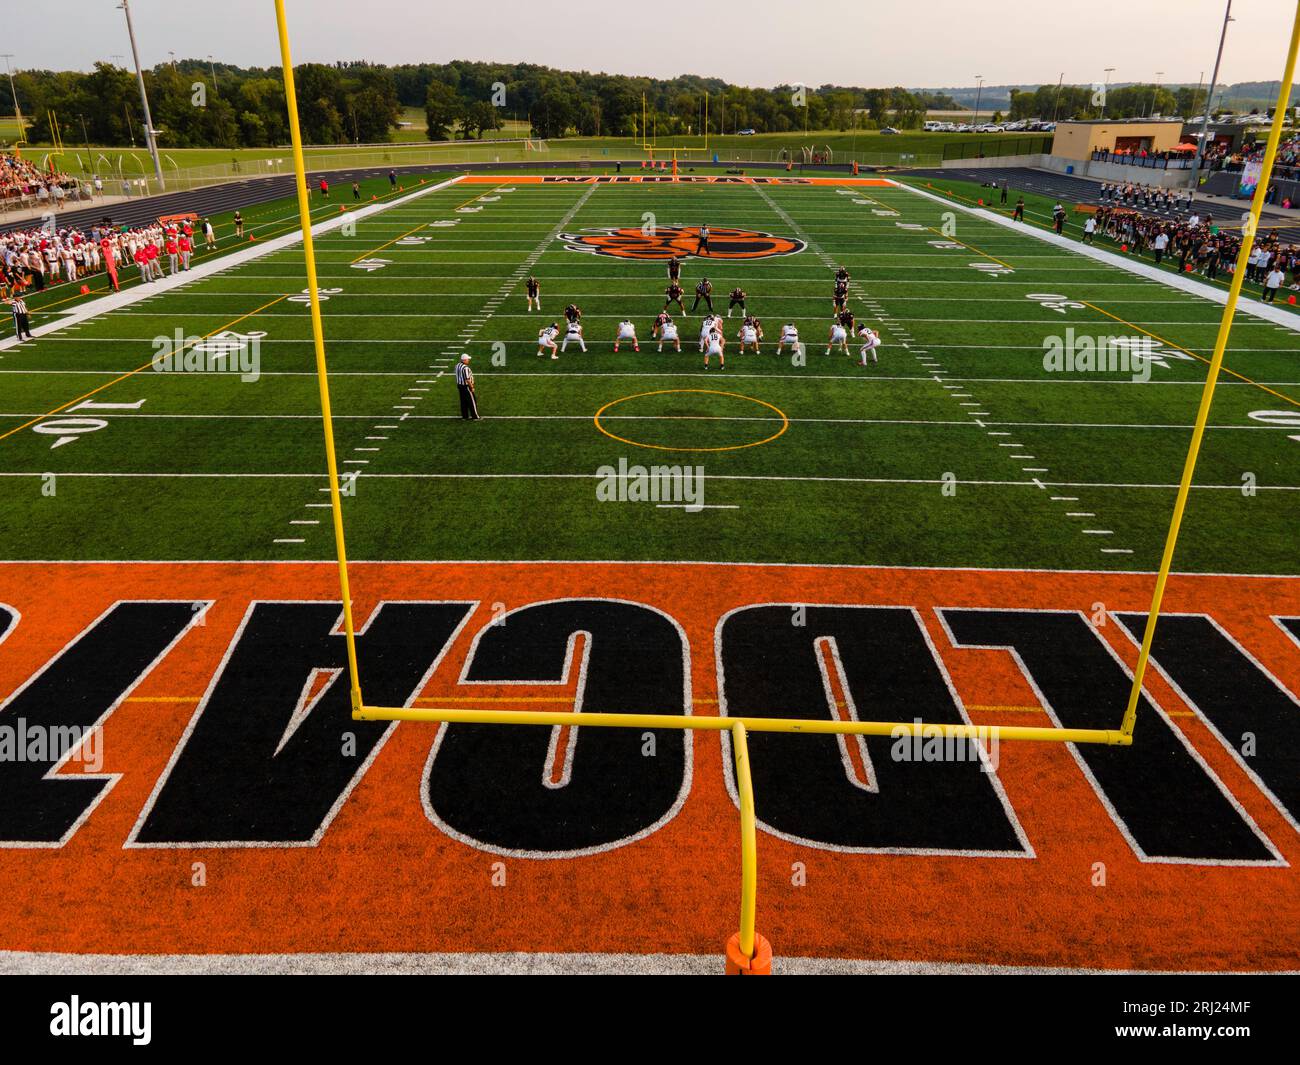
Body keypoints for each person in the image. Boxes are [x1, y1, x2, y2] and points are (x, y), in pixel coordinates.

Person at [455, 354, 479, 419]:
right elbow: (467, 379)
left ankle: (465, 416)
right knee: (472, 401)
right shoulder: (465, 368)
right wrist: (472, 387)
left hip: (460, 386)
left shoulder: (457, 365)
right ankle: (475, 416)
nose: (468, 360)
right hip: (466, 387)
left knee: (463, 402)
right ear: (464, 360)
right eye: (467, 359)